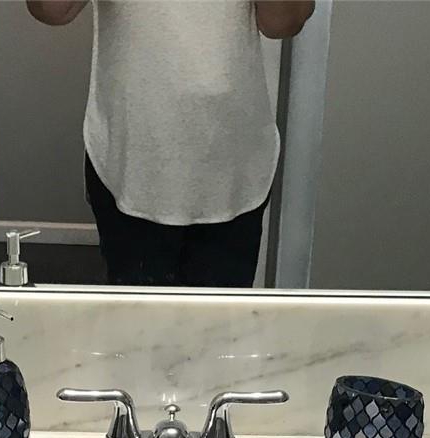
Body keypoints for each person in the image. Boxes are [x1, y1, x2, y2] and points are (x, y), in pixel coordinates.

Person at [27, 0, 313, 287]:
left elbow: (283, 24)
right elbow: (51, 10)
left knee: (221, 314)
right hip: (131, 161)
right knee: (136, 313)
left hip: (233, 164)